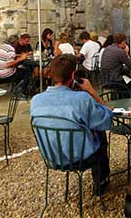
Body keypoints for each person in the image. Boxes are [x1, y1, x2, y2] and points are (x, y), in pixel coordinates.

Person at [30, 54, 112, 195]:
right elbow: (106, 120)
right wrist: (91, 91)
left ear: (51, 74)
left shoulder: (36, 100)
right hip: (80, 157)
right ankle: (101, 182)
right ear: (73, 75)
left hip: (52, 156)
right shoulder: (83, 99)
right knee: (99, 132)